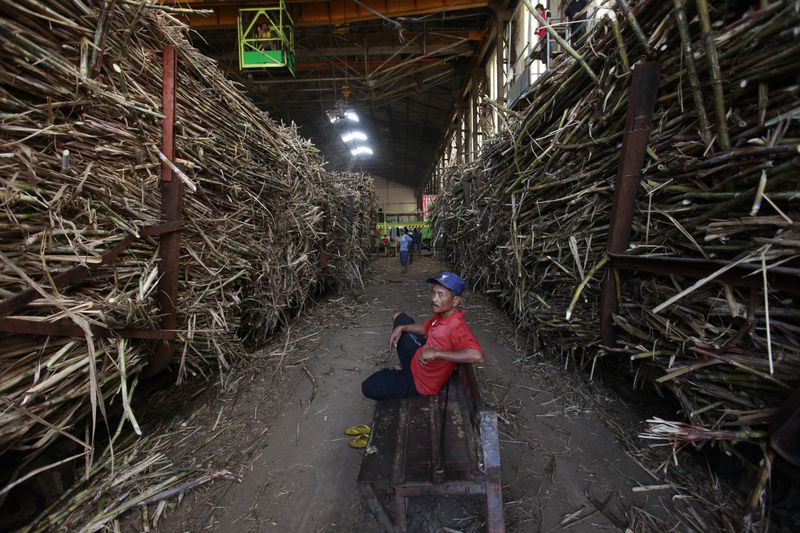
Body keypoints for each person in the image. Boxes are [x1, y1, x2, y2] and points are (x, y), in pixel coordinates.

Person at [361, 272, 484, 400]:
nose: (434, 299)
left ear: (456, 301)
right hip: (417, 358)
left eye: (440, 295)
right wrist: (402, 328)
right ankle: (403, 365)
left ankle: (398, 373)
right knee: (399, 317)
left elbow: (477, 355)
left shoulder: (456, 326)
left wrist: (436, 354)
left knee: (368, 387)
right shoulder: (443, 315)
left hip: (419, 381)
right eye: (433, 293)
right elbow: (426, 329)